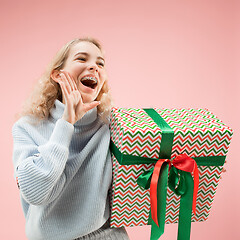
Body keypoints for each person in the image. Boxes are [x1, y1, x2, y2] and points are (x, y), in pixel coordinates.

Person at [12, 37, 130, 240]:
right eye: (82, 59)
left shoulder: (111, 127)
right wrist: (66, 123)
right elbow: (36, 192)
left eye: (100, 63)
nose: (93, 66)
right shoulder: (27, 127)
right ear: (58, 75)